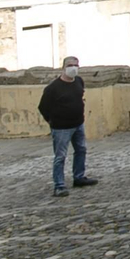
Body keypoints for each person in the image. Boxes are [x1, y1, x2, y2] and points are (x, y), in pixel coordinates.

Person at [38, 57, 97, 198]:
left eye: (76, 65)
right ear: (63, 67)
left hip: (78, 124)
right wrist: (52, 121)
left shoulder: (78, 81)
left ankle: (79, 177)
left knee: (81, 150)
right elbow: (43, 107)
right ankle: (59, 185)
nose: (73, 68)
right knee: (60, 156)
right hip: (61, 128)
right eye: (70, 65)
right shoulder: (53, 88)